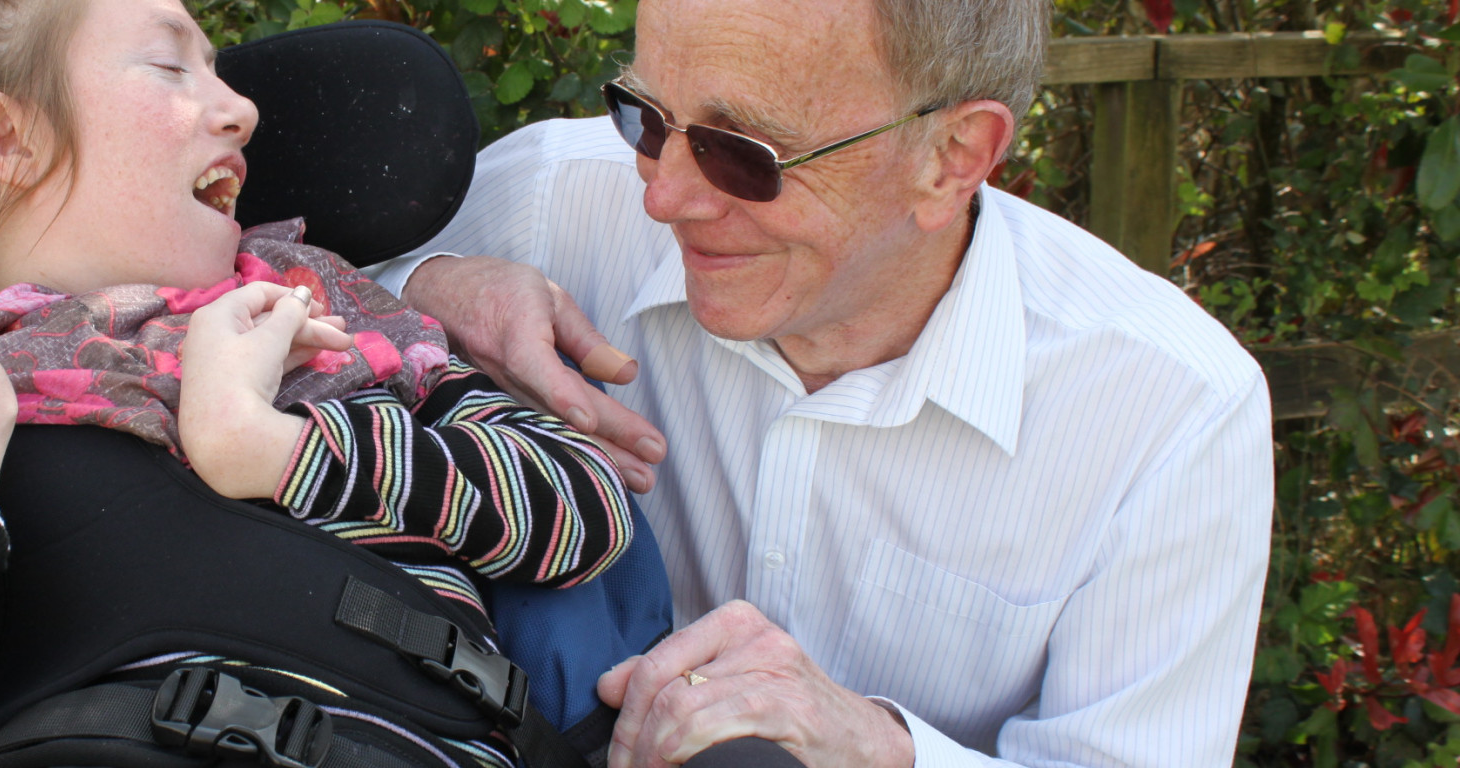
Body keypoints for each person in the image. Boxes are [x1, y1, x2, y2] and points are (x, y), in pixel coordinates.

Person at [0, 0, 635, 764]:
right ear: (10, 137)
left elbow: (588, 511)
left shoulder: (339, 327)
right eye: (170, 68)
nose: (242, 109)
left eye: (219, 72)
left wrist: (277, 449)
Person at [369, 0, 1274, 765]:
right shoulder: (551, 198)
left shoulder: (1172, 412)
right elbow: (294, 278)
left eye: (741, 152)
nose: (661, 196)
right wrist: (425, 292)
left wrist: (883, 748)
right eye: (642, 116)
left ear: (953, 157)